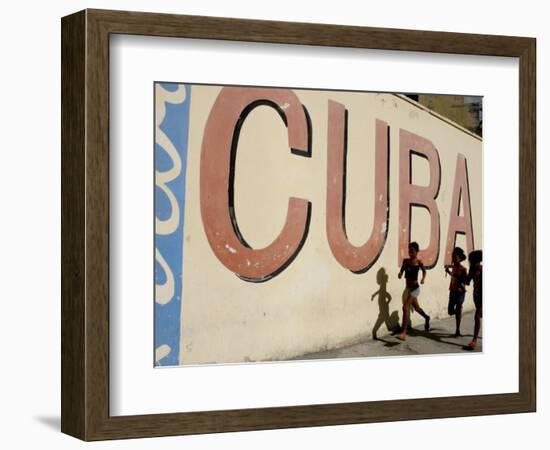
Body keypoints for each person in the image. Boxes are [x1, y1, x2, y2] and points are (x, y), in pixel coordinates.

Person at [396, 242, 430, 341]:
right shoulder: (406, 261)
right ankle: (427, 317)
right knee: (417, 308)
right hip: (407, 289)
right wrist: (400, 274)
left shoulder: (419, 262)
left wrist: (423, 279)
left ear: (417, 251)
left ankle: (403, 333)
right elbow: (402, 270)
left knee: (405, 308)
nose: (410, 253)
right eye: (409, 251)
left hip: (415, 289)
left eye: (412, 251)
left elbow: (424, 271)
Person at [445, 247, 468, 337]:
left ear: (459, 258)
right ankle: (458, 312)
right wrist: (448, 271)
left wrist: (460, 284)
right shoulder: (454, 267)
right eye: (453, 257)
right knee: (450, 311)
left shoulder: (463, 269)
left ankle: (457, 330)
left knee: (458, 309)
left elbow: (465, 281)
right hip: (452, 291)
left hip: (460, 293)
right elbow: (453, 275)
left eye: (455, 257)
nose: (453, 259)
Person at [464, 250, 482, 350]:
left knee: (477, 316)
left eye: (470, 260)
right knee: (480, 315)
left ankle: (474, 340)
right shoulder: (472, 269)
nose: (469, 261)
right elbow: (467, 282)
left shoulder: (482, 270)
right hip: (476, 296)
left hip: (483, 296)